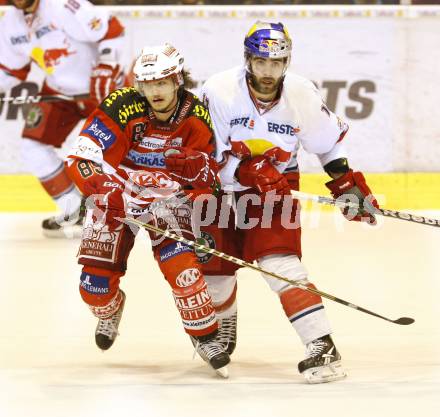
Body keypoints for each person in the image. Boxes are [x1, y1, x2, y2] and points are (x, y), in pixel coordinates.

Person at [199, 21, 379, 383]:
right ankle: (225, 322)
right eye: (262, 62)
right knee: (215, 270)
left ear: (287, 62)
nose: (269, 72)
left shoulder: (302, 93)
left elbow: (327, 142)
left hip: (277, 187)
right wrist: (245, 170)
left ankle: (321, 344)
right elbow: (206, 152)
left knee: (281, 263)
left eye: (277, 63)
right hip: (220, 189)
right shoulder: (218, 89)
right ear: (248, 59)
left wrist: (345, 182)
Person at [65, 43, 230, 377]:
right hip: (117, 191)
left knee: (185, 272)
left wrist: (203, 214)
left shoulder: (196, 116)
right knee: (94, 288)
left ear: (177, 81)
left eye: (162, 83)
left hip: (167, 197)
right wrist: (101, 188)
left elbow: (208, 179)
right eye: (148, 84)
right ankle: (110, 309)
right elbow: (81, 155)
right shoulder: (121, 104)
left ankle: (206, 337)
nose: (155, 91)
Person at [0, 0, 125, 237]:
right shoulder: (10, 24)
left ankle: (150, 205)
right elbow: (8, 70)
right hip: (59, 93)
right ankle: (74, 209)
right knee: (32, 146)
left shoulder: (64, 6)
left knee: (124, 151)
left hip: (101, 89)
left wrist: (108, 66)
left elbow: (111, 28)